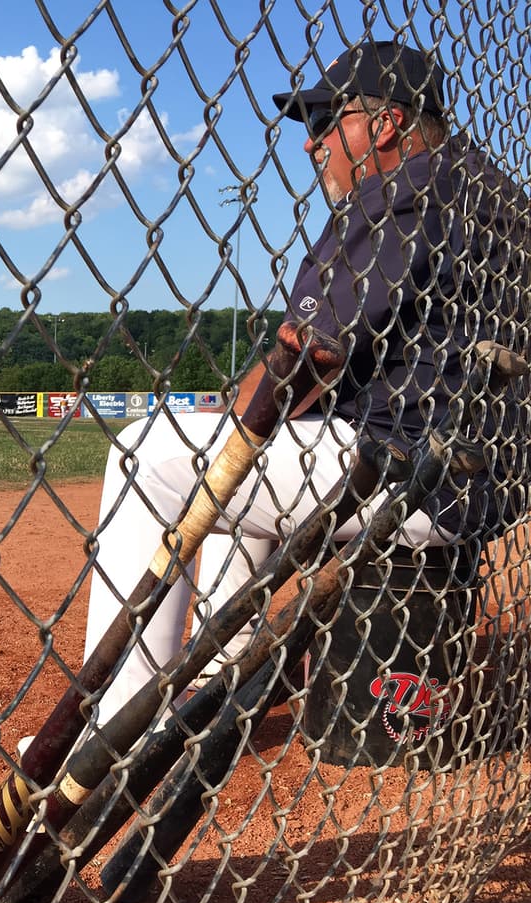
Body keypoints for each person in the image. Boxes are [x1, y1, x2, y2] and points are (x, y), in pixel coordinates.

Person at [81, 39, 528, 732]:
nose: (310, 144)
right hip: (480, 472)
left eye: (325, 122)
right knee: (249, 457)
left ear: (385, 125)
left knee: (150, 457)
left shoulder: (399, 194)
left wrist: (237, 408)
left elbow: (302, 367)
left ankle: (114, 731)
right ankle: (222, 686)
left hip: (415, 474)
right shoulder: (486, 188)